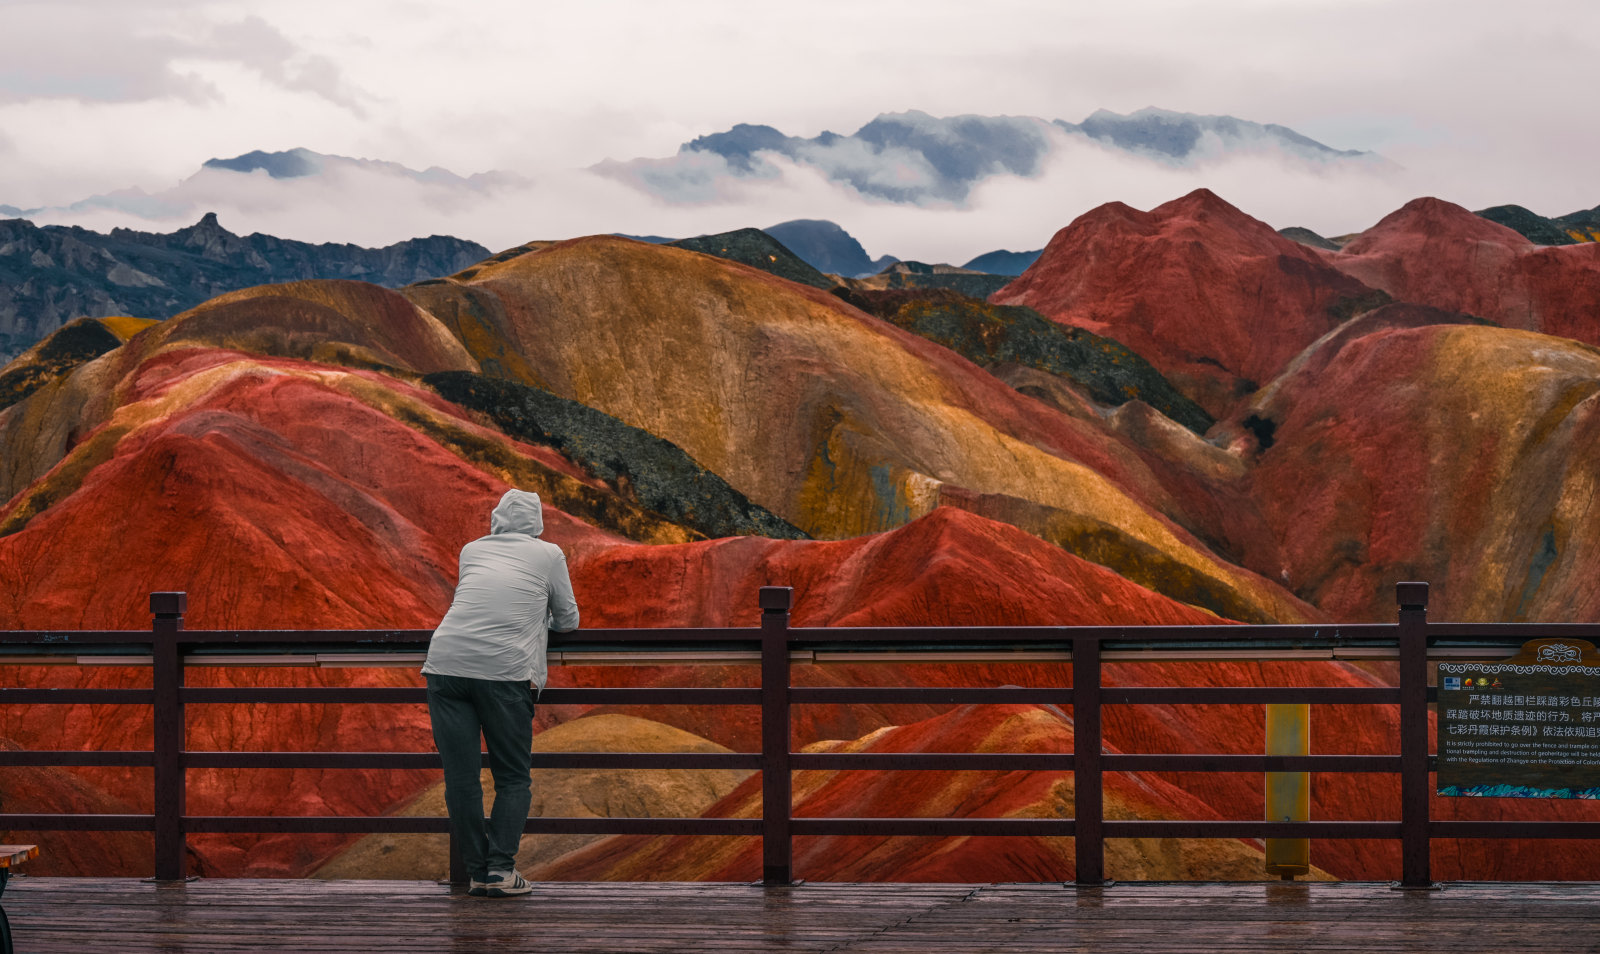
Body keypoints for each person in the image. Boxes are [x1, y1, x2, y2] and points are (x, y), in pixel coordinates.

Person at [422, 488, 579, 898]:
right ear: (537, 523)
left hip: (445, 665)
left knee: (461, 778)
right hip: (505, 672)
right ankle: (500, 872)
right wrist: (538, 611)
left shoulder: (471, 550)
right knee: (512, 778)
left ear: (497, 518)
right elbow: (569, 620)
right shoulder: (550, 555)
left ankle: (477, 872)